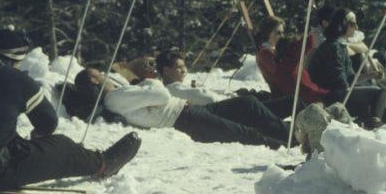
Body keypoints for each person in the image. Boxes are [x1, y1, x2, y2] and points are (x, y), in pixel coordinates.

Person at [0, 29, 140, 192]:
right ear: (18, 58)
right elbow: (48, 123)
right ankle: (102, 163)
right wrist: (38, 138)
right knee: (62, 146)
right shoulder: (19, 80)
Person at [99, 69, 290, 149]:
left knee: (246, 103)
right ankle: (292, 142)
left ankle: (291, 133)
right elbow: (162, 95)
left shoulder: (119, 94)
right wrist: (151, 81)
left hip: (188, 112)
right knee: (245, 133)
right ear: (93, 81)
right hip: (184, 119)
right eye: (97, 74)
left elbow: (156, 97)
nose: (103, 74)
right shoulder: (113, 97)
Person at [307, 9, 386, 128]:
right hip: (329, 96)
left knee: (379, 95)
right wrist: (357, 89)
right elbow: (339, 81)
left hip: (338, 92)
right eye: (352, 23)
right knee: (380, 92)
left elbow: (350, 77)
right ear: (341, 24)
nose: (356, 26)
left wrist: (371, 75)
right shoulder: (332, 46)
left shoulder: (341, 46)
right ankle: (376, 121)